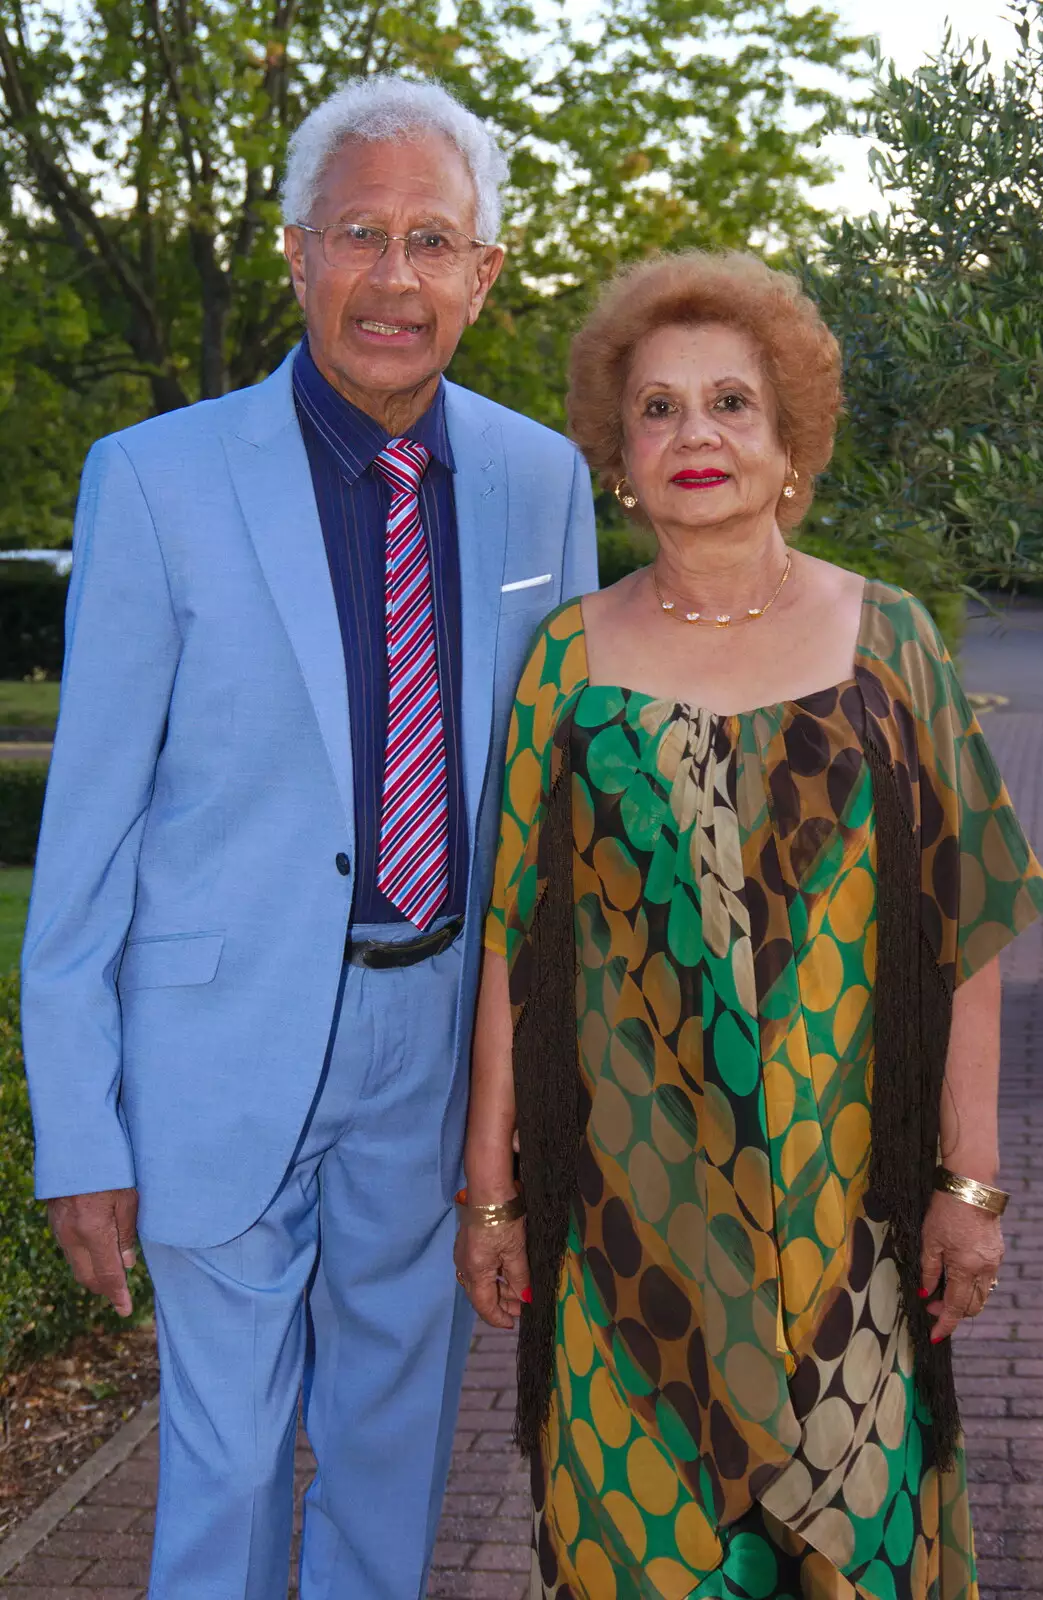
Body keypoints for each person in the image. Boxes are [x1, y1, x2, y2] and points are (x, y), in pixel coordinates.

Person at [21, 74, 596, 1599]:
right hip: (219, 1034)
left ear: (484, 271)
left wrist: (540, 1088)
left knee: (394, 1442)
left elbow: (552, 825)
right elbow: (84, 837)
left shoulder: (544, 484)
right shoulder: (152, 480)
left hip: (438, 1034)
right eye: (359, 234)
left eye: (431, 241)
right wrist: (79, 1124)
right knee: (224, 1451)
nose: (392, 279)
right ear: (294, 253)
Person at [455, 250, 1043, 1599]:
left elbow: (967, 928)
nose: (693, 434)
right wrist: (490, 1190)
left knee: (855, 1558)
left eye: (730, 402)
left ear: (791, 445)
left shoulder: (889, 643)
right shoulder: (564, 661)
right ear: (617, 456)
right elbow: (513, 946)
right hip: (624, 1243)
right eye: (656, 410)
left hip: (852, 1237)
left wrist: (968, 1184)